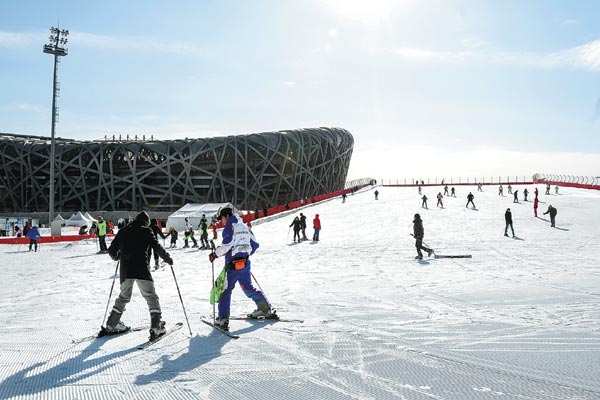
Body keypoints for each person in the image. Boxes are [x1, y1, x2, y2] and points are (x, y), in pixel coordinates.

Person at [105, 211, 173, 339]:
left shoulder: (123, 231)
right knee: (151, 296)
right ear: (146, 222)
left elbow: (111, 250)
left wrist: (118, 256)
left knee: (123, 297)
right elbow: (156, 246)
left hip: (126, 271)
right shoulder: (146, 230)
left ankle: (112, 324)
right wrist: (168, 258)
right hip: (142, 268)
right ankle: (156, 326)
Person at [208, 207, 271, 331]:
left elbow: (228, 244)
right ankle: (265, 308)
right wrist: (244, 253)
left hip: (232, 265)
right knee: (247, 287)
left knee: (225, 290)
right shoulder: (244, 227)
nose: (222, 222)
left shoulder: (230, 226)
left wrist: (215, 254)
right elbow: (254, 244)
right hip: (244, 263)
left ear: (226, 216)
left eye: (222, 219)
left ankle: (223, 319)